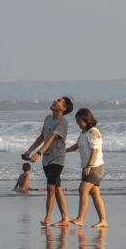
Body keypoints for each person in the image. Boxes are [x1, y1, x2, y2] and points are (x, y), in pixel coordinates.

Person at [22, 96, 74, 226]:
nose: (55, 100)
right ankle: (65, 219)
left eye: (58, 101)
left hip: (57, 159)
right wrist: (29, 151)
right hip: (47, 159)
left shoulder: (63, 121)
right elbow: (42, 137)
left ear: (63, 108)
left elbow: (52, 138)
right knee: (57, 188)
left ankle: (47, 218)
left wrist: (39, 153)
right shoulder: (47, 118)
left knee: (50, 187)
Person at [66, 108, 108, 228]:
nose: (78, 123)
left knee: (83, 190)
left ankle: (81, 218)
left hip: (95, 166)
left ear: (87, 120)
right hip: (89, 166)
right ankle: (103, 221)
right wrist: (65, 151)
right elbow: (77, 146)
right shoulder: (83, 132)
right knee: (95, 194)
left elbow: (95, 151)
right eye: (77, 121)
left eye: (80, 121)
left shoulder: (93, 132)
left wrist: (89, 166)